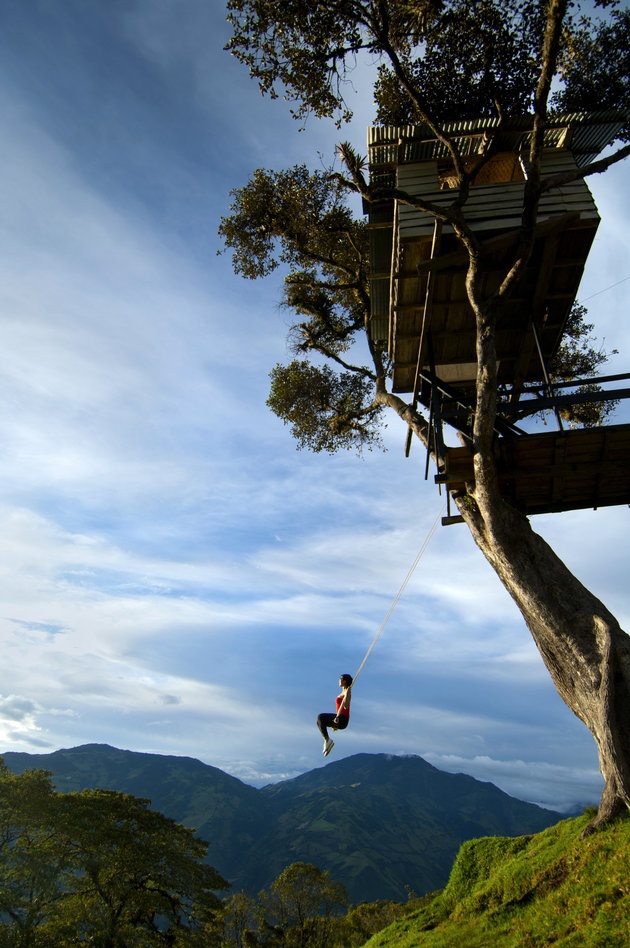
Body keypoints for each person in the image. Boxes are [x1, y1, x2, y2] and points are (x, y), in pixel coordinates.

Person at [317, 674, 352, 757]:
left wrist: (347, 694)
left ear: (344, 681)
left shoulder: (348, 692)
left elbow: (346, 706)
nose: (339, 681)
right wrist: (335, 721)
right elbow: (339, 708)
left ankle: (327, 740)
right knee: (319, 721)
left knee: (321, 717)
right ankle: (327, 741)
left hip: (343, 719)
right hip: (340, 718)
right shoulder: (343, 692)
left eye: (340, 679)